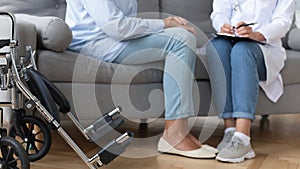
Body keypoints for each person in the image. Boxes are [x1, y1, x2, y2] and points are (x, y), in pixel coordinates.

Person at [65, 0, 218, 158]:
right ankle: (174, 135)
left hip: (114, 39)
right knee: (181, 40)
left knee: (184, 36)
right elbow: (116, 27)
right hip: (96, 43)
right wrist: (164, 23)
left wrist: (166, 25)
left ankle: (180, 131)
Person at [206, 0, 295, 163]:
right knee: (216, 47)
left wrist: (257, 34)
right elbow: (218, 13)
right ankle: (230, 131)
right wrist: (223, 25)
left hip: (264, 47)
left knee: (242, 50)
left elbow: (283, 22)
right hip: (232, 40)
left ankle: (242, 138)